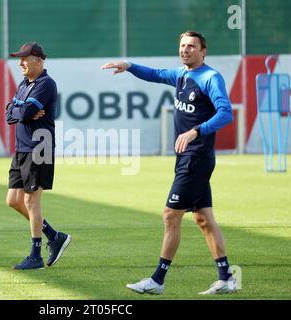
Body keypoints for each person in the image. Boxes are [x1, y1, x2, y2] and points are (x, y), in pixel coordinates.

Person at [102, 31, 237, 295]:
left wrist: (196, 130)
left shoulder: (210, 77)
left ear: (203, 51)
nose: (185, 50)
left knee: (170, 216)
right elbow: (154, 74)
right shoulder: (181, 75)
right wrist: (129, 66)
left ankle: (157, 280)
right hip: (188, 158)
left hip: (196, 158)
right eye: (182, 46)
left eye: (191, 46)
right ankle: (226, 278)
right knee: (203, 218)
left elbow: (226, 114)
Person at [5, 42, 71, 270]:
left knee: (31, 201)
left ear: (39, 60)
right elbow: (11, 113)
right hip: (22, 149)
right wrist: (19, 110)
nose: (20, 62)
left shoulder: (46, 84)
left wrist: (20, 110)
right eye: (19, 58)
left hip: (39, 149)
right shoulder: (24, 84)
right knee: (13, 201)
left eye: (25, 58)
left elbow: (24, 112)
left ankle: (35, 256)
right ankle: (54, 236)